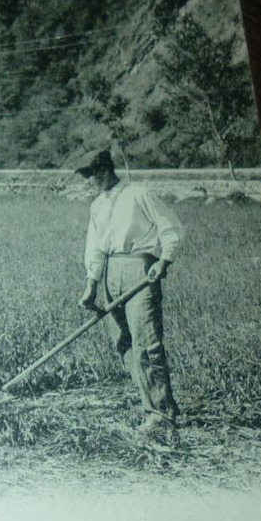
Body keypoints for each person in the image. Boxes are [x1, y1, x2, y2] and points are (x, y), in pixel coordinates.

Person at [75, 148, 185, 443]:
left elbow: (171, 227)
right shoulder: (97, 206)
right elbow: (95, 247)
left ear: (103, 171)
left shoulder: (138, 194)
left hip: (140, 267)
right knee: (123, 342)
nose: (86, 182)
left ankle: (161, 415)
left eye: (89, 175)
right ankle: (152, 403)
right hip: (112, 271)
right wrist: (91, 285)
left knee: (146, 343)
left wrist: (163, 261)